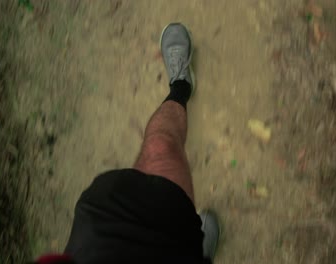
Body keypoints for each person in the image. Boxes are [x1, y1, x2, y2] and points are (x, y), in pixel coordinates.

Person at [35, 23, 220, 264]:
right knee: (182, 242)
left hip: (98, 252)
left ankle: (181, 86)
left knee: (160, 148)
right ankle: (196, 249)